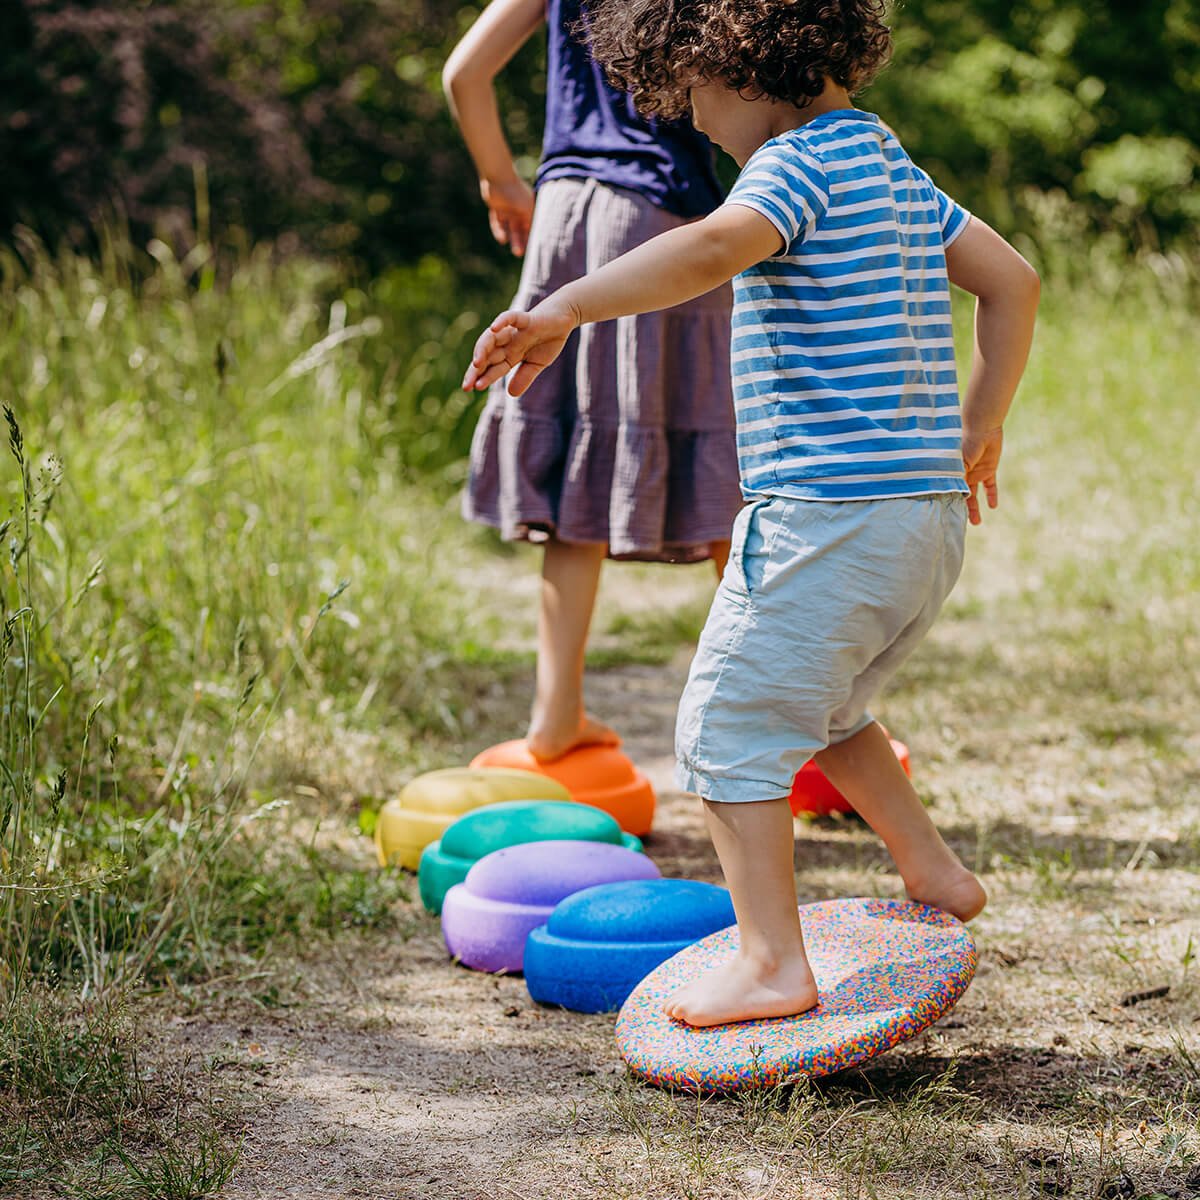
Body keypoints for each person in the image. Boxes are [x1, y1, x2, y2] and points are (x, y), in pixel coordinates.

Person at [463, 0, 1040, 1027]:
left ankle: (773, 962)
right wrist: (980, 422)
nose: (692, 123)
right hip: (922, 521)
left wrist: (565, 306)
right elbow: (1015, 282)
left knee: (726, 731)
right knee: (830, 711)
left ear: (733, 67)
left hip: (826, 518)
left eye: (689, 97)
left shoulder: (790, 167)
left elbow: (709, 250)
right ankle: (934, 871)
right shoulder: (889, 162)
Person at [443, 0, 742, 763]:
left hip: (562, 211)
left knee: (576, 457)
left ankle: (555, 718)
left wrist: (501, 182)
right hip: (665, 214)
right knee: (720, 463)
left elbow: (464, 74)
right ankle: (788, 710)